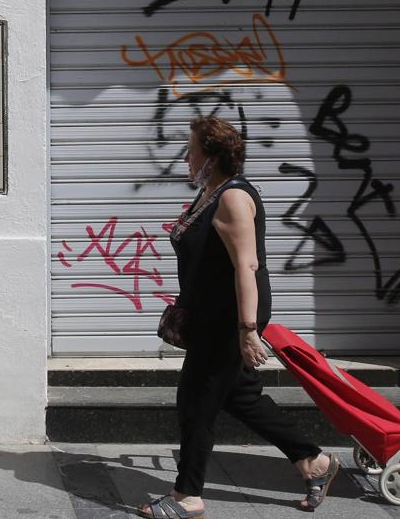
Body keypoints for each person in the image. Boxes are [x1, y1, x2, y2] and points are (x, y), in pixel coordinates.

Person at [138, 116, 340, 519]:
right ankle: (314, 462)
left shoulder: (231, 197)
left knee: (196, 399)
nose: (186, 155)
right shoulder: (210, 193)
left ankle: (187, 497)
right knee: (240, 395)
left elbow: (246, 267)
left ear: (211, 156)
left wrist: (247, 331)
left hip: (229, 316)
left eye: (192, 148)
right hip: (211, 311)